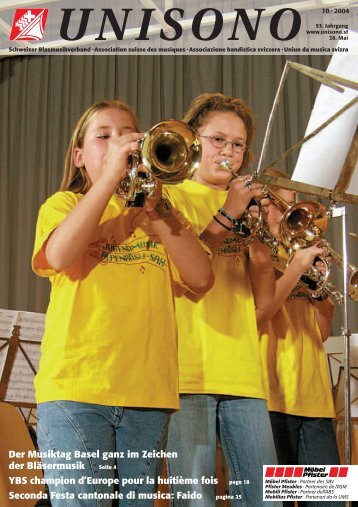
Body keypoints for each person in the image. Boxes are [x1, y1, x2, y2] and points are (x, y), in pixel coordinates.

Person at [31, 99, 214, 507]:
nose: (119, 143)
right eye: (104, 136)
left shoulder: (160, 218)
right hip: (77, 390)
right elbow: (59, 256)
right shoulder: (63, 205)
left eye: (128, 134)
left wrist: (160, 210)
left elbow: (201, 279)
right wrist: (111, 177)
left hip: (148, 394)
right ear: (79, 156)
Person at [165, 93, 280, 507]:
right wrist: (229, 213)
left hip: (245, 372)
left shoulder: (246, 205)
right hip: (187, 372)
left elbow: (263, 309)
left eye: (237, 144)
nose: (228, 152)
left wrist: (265, 242)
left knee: (266, 499)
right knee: (194, 500)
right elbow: (188, 276)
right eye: (218, 140)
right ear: (193, 140)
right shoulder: (171, 197)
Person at [258, 169, 342, 507]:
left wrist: (320, 289)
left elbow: (321, 332)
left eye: (290, 205)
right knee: (275, 502)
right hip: (271, 400)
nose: (284, 215)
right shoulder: (257, 255)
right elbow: (260, 312)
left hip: (316, 401)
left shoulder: (304, 258)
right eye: (276, 204)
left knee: (330, 504)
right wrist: (294, 269)